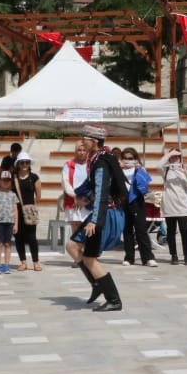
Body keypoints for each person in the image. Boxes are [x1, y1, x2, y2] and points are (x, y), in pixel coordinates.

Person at [70, 125, 127, 312]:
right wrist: (83, 196)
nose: (82, 142)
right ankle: (96, 285)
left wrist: (95, 220)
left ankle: (114, 299)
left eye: (84, 138)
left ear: (94, 141)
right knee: (72, 246)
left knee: (91, 259)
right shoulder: (96, 159)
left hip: (104, 214)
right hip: (102, 211)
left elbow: (102, 192)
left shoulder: (101, 162)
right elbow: (93, 187)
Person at [119, 147, 158, 267]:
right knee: (127, 231)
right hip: (123, 201)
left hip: (137, 201)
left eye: (131, 158)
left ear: (136, 159)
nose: (128, 161)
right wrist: (118, 167)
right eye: (125, 158)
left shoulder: (140, 170)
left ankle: (148, 258)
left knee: (141, 230)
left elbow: (144, 188)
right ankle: (129, 257)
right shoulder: (118, 170)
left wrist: (139, 170)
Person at [160, 148, 187, 265]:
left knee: (185, 231)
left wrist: (186, 172)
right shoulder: (166, 170)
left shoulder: (185, 168)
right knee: (171, 231)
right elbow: (157, 166)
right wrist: (168, 154)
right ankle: (173, 255)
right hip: (170, 204)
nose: (174, 159)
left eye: (177, 156)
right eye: (172, 157)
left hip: (183, 205)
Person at [13, 153, 42, 271]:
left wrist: (33, 208)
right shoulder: (14, 177)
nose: (25, 164)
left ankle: (35, 262)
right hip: (16, 209)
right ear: (18, 164)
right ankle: (23, 262)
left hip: (30, 209)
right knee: (18, 236)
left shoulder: (34, 177)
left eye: (27, 162)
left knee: (32, 237)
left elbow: (38, 195)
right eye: (22, 162)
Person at [60, 141, 92, 244]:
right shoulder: (68, 165)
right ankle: (78, 255)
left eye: (84, 150)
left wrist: (86, 198)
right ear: (75, 151)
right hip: (73, 200)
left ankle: (88, 254)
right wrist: (76, 196)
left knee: (89, 227)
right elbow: (65, 183)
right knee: (76, 226)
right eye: (79, 150)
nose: (82, 152)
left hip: (88, 201)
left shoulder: (92, 165)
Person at [0, 169, 19, 273]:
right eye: (4, 180)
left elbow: (15, 210)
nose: (6, 182)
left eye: (8, 180)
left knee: (7, 244)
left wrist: (16, 224)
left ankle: (6, 264)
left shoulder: (13, 195)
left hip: (10, 222)